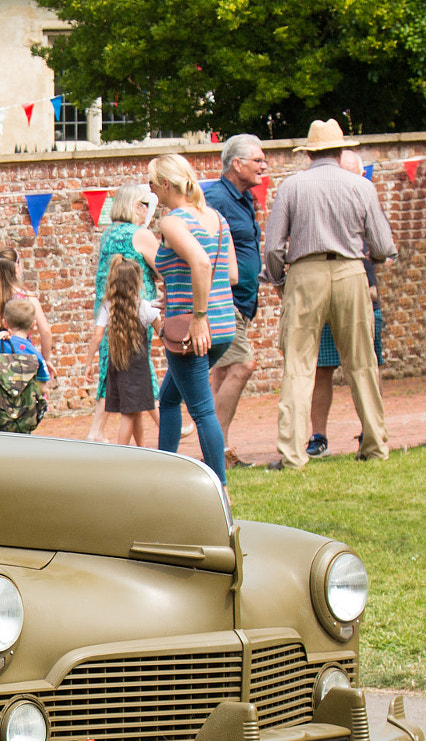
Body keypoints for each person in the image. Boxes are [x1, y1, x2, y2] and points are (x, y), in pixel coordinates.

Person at [261, 120, 396, 470]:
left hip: (305, 273)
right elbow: (382, 244)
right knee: (362, 362)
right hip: (351, 270)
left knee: (299, 365)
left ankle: (292, 454)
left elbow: (274, 247)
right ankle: (376, 445)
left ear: (307, 152)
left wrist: (278, 280)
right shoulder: (360, 185)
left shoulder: (292, 186)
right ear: (340, 151)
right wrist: (373, 259)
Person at [145, 152, 236, 482]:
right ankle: (165, 472)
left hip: (193, 330)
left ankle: (221, 488)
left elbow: (200, 264)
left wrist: (197, 316)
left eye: (153, 184)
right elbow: (232, 274)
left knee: (202, 410)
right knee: (169, 399)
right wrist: (175, 294)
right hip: (224, 327)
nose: (151, 191)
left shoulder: (173, 221)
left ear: (166, 184)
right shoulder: (216, 219)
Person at [307, 149, 385, 457]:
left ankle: (373, 431)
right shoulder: (321, 202)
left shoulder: (366, 198)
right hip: (326, 295)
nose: (353, 179)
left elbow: (382, 246)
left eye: (358, 174)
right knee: (322, 368)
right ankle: (318, 437)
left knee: (367, 366)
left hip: (365, 295)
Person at [205, 134, 270, 468]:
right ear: (237, 164)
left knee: (223, 373)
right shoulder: (214, 198)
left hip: (242, 302)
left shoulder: (243, 198)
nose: (264, 165)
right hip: (223, 300)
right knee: (243, 366)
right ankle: (217, 452)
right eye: (258, 160)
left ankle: (219, 449)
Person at [88, 184, 162, 443]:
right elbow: (161, 269)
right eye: (143, 204)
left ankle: (97, 430)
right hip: (138, 312)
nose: (146, 210)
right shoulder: (140, 234)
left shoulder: (107, 234)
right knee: (140, 369)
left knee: (111, 369)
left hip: (109, 309)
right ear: (133, 206)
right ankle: (166, 424)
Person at [88, 254, 160, 446]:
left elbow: (97, 337)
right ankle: (122, 452)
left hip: (117, 365)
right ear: (136, 282)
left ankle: (141, 449)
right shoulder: (145, 307)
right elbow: (164, 332)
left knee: (135, 411)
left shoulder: (108, 306)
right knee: (130, 414)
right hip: (138, 369)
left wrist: (88, 364)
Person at [0, 247, 51, 380]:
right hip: (24, 354)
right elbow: (45, 331)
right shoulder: (28, 297)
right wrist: (46, 359)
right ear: (16, 268)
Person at [0, 297, 50, 433]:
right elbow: (43, 387)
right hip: (25, 416)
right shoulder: (35, 355)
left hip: (0, 412)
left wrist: (1, 336)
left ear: (4, 322)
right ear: (33, 324)